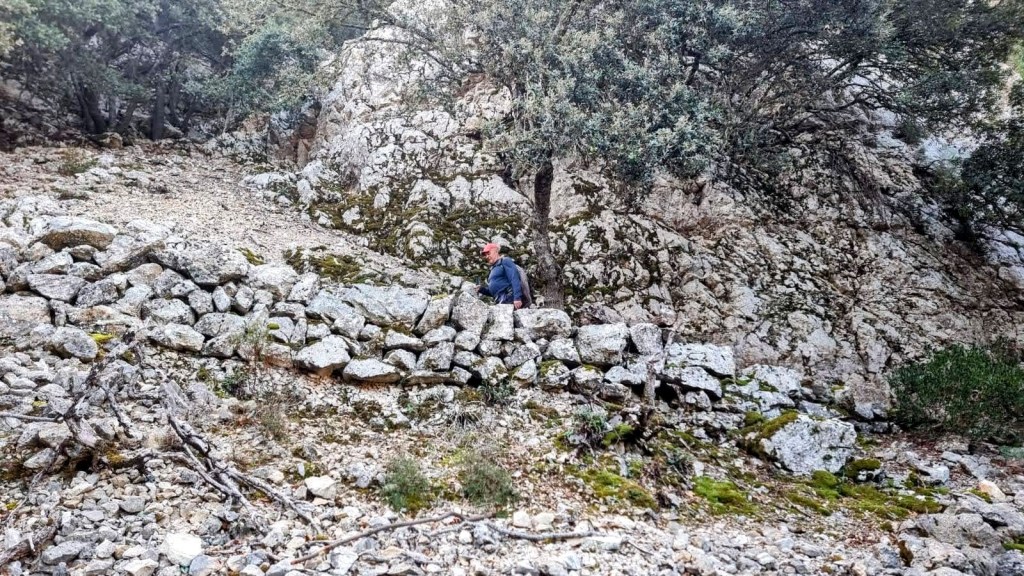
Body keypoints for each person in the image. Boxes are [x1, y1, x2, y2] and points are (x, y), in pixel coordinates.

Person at [478, 242, 523, 309]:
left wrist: (517, 297)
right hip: (500, 299)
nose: (487, 256)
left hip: (508, 297)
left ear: (496, 251)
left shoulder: (505, 261)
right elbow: (493, 291)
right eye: (485, 255)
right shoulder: (493, 268)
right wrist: (482, 289)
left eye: (488, 253)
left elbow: (514, 278)